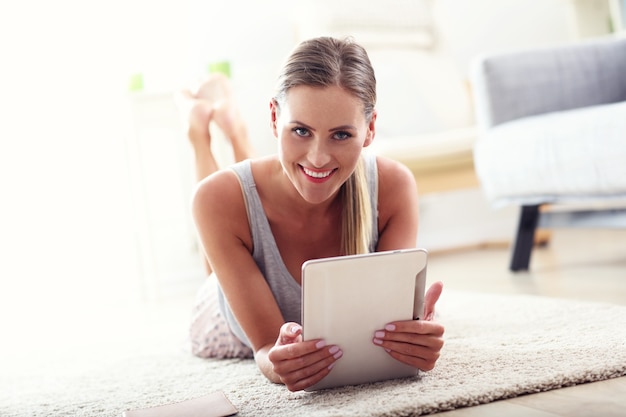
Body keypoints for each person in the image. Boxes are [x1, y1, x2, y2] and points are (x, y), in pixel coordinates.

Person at [177, 36, 445, 392]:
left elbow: (387, 333)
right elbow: (266, 347)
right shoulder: (213, 200)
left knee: (283, 172)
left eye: (341, 134)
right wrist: (275, 359)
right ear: (274, 118)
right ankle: (200, 134)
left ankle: (235, 128)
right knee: (219, 199)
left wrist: (411, 342)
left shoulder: (394, 186)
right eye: (300, 130)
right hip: (224, 313)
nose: (319, 157)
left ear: (371, 129)